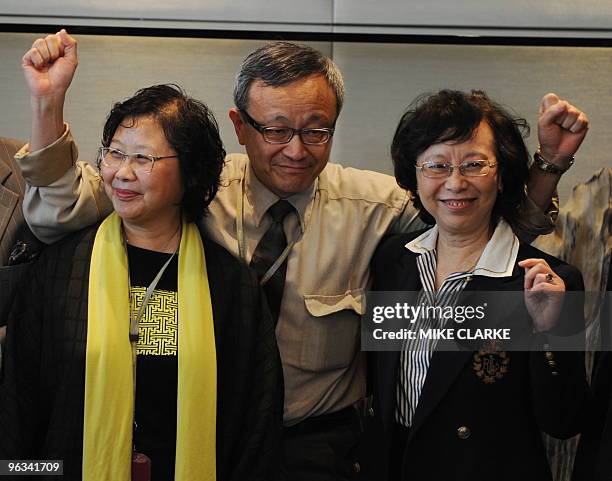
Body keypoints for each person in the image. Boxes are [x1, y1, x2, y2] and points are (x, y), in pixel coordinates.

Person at [14, 30, 588, 479]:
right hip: (206, 438)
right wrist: (48, 103)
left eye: (317, 131)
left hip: (322, 448)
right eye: (276, 129)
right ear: (239, 125)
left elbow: (475, 224)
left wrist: (547, 166)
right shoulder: (190, 189)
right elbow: (64, 209)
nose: (296, 149)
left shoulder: (376, 207)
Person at [0, 84, 282, 481]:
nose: (122, 173)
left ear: (191, 171)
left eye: (143, 158)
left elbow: (256, 420)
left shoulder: (230, 284)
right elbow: (18, 406)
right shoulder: (59, 269)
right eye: (115, 153)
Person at [366, 90, 589, 481]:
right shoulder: (393, 259)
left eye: (474, 164)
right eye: (436, 165)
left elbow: (565, 420)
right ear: (413, 175)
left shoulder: (546, 281)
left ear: (502, 175)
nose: (455, 182)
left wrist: (548, 332)